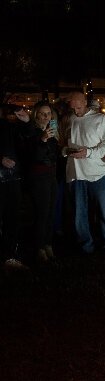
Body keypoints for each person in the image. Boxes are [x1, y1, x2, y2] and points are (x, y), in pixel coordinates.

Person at [63, 92, 105, 254]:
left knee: (104, 213)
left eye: (78, 107)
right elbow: (63, 143)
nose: (76, 111)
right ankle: (86, 247)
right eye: (73, 107)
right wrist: (66, 151)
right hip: (76, 174)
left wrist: (88, 153)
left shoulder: (100, 119)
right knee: (80, 215)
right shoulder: (69, 119)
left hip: (98, 173)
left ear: (85, 102)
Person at [16, 102, 60, 262]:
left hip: (51, 176)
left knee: (50, 212)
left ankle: (48, 244)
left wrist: (62, 149)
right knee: (41, 213)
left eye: (48, 114)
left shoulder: (52, 131)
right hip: (38, 177)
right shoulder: (31, 131)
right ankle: (39, 247)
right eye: (42, 113)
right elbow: (31, 157)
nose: (46, 117)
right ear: (36, 115)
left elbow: (52, 154)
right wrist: (42, 140)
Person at [0, 105, 27, 270]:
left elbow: (26, 138)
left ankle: (9, 256)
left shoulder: (6, 126)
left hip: (11, 178)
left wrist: (26, 122)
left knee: (12, 217)